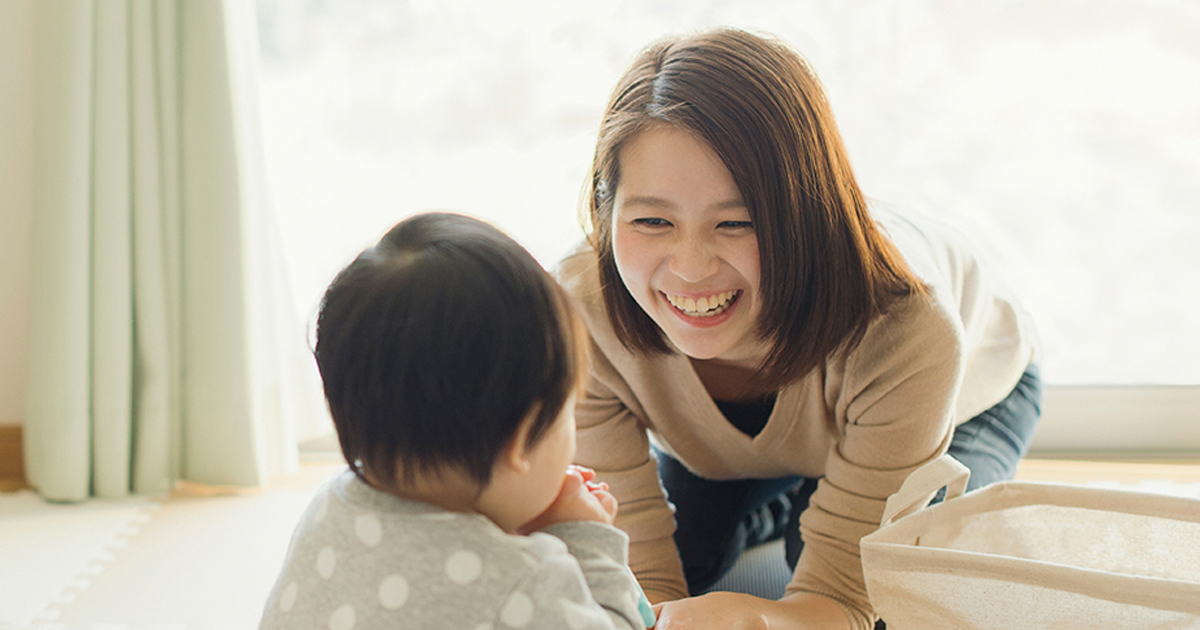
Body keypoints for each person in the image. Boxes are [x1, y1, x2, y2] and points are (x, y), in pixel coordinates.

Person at [556, 27, 1042, 630]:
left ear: (805, 216)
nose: (690, 268)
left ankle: (811, 501)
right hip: (768, 430)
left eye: (737, 223)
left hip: (968, 395)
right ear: (605, 213)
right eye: (653, 220)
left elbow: (845, 600)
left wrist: (759, 620)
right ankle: (797, 495)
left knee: (908, 598)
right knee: (672, 560)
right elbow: (634, 587)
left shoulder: (905, 327)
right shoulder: (576, 312)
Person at [260, 212, 655, 630]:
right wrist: (584, 540)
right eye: (566, 414)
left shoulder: (329, 507)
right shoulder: (526, 582)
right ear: (521, 440)